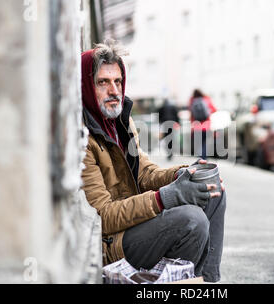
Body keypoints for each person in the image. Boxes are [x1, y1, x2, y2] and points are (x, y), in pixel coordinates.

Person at [80, 39, 227, 282]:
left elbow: (145, 173)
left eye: (117, 81)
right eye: (103, 82)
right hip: (110, 242)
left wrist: (186, 173)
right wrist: (165, 197)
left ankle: (205, 282)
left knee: (213, 191)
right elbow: (103, 217)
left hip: (134, 223)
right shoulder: (82, 137)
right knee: (191, 220)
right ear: (86, 86)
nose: (114, 90)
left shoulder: (121, 123)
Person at [189, 89, 217, 160]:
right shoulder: (206, 99)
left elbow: (191, 114)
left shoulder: (192, 100)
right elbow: (214, 109)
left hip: (196, 126)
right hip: (206, 126)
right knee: (205, 143)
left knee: (199, 143)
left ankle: (201, 157)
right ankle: (204, 157)